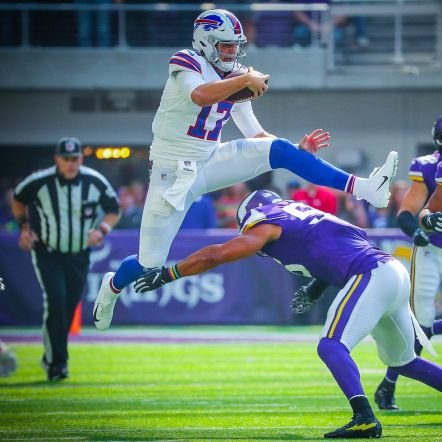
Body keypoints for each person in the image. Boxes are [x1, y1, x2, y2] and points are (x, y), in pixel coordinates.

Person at [92, 8, 398, 332]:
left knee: (278, 148)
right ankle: (111, 288)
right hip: (172, 172)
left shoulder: (236, 74)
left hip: (210, 160)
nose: (231, 52)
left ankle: (365, 187)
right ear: (205, 42)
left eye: (234, 46)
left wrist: (298, 154)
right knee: (147, 264)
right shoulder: (186, 61)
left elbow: (255, 134)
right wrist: (244, 79)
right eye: (224, 45)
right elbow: (200, 95)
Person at [133, 189, 442, 439]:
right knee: (403, 361)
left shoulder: (266, 221)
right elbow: (345, 243)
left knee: (331, 345)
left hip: (371, 273)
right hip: (392, 272)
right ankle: (365, 415)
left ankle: (364, 418)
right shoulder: (307, 214)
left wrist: (170, 273)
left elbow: (218, 254)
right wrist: (315, 288)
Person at [12, 137, 120, 381]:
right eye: (66, 159)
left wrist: (102, 229)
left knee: (69, 307)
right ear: (56, 160)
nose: (71, 164)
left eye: (75, 159)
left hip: (79, 254)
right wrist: (24, 226)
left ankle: (53, 357)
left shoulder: (94, 181)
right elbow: (18, 198)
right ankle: (57, 363)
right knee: (56, 302)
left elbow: (114, 208)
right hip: (48, 252)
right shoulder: (40, 182)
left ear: (81, 159)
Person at [374, 115, 442, 410]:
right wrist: (421, 227)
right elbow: (412, 211)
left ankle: (387, 385)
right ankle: (388, 385)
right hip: (433, 248)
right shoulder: (431, 166)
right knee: (421, 321)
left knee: (425, 325)